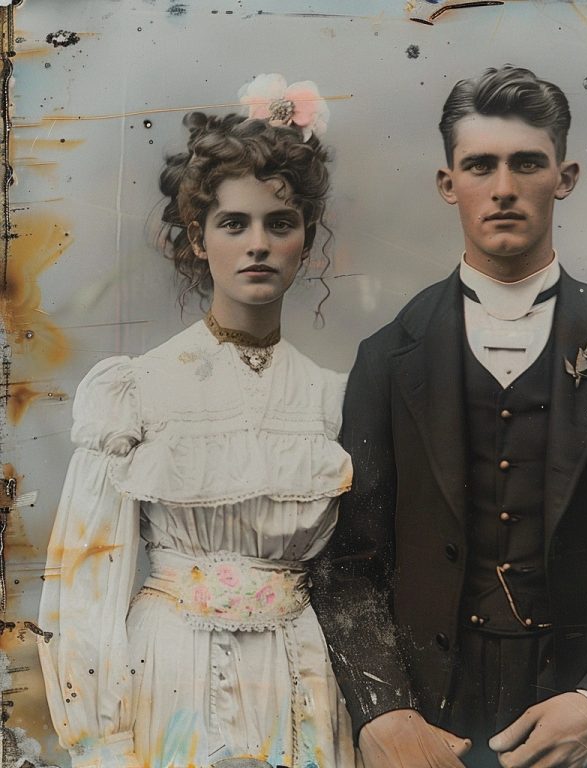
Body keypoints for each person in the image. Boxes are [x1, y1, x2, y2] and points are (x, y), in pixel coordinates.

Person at [311, 65, 587, 768]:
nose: (504, 187)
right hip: (433, 729)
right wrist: (384, 711)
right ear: (448, 183)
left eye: (528, 163)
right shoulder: (387, 358)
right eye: (480, 165)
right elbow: (348, 565)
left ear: (564, 177)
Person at [38, 107, 356, 768]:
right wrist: (100, 742)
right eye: (233, 224)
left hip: (298, 676)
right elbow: (85, 585)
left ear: (305, 238)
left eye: (280, 223)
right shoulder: (137, 389)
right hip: (170, 672)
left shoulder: (331, 400)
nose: (258, 244)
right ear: (198, 237)